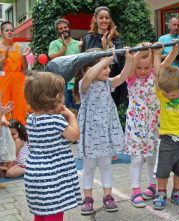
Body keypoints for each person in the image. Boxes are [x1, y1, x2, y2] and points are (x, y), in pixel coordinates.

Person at [73, 48, 134, 214]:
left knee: (106, 166)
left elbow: (123, 77)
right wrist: (105, 59)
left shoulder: (107, 84)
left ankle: (108, 196)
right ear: (90, 68)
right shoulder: (84, 85)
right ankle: (88, 198)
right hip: (90, 137)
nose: (108, 69)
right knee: (89, 167)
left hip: (106, 134)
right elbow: (88, 76)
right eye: (104, 67)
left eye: (108, 66)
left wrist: (129, 59)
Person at [125, 43, 179, 208]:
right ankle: (135, 190)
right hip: (136, 124)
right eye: (139, 67)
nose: (142, 71)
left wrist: (174, 51)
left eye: (146, 67)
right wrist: (139, 52)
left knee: (152, 157)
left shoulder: (154, 76)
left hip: (153, 123)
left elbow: (165, 64)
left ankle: (152, 185)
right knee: (136, 158)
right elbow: (132, 66)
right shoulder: (131, 77)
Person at [24, 71, 81, 221]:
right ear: (56, 99)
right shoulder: (56, 121)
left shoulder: (31, 119)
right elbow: (74, 136)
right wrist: (71, 117)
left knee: (42, 212)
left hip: (34, 174)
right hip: (52, 177)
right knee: (55, 213)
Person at [152, 43, 179, 210]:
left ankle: (177, 192)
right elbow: (158, 76)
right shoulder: (162, 95)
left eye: (174, 94)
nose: (170, 97)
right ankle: (161, 192)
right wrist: (157, 55)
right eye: (168, 94)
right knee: (163, 168)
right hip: (167, 139)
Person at [81, 6, 127, 107]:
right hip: (93, 80)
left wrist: (110, 43)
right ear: (95, 19)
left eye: (107, 17)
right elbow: (84, 62)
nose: (104, 20)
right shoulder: (87, 38)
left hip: (112, 77)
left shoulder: (116, 38)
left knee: (111, 106)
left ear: (110, 19)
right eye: (101, 17)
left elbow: (119, 60)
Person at [0, 21, 30, 125]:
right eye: (7, 30)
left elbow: (25, 67)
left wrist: (24, 56)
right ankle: (5, 131)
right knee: (4, 105)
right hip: (3, 79)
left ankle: (20, 131)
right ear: (1, 33)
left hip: (18, 78)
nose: (10, 32)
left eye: (12, 30)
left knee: (20, 106)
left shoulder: (19, 47)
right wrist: (4, 58)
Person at [48, 18, 81, 109]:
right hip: (61, 82)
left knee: (77, 109)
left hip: (76, 81)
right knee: (63, 109)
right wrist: (64, 47)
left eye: (65, 27)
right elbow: (53, 58)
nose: (64, 30)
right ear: (58, 31)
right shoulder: (54, 43)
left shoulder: (78, 43)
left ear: (69, 28)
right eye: (61, 28)